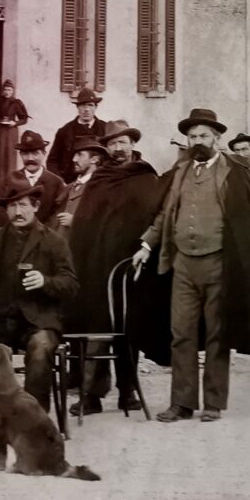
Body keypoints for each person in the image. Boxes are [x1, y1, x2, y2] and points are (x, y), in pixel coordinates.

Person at [132, 107, 250, 423]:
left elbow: (247, 222)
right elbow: (165, 214)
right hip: (183, 265)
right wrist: (147, 244)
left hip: (219, 263)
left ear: (217, 138)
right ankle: (181, 403)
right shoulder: (181, 172)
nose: (197, 140)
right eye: (192, 136)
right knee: (181, 333)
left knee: (218, 333)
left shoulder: (235, 173)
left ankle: (213, 403)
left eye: (203, 135)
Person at [0, 180, 77, 415]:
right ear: (5, 210)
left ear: (36, 206)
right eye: (12, 206)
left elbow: (71, 284)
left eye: (23, 205)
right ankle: (9, 408)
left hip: (38, 323)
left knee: (41, 347)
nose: (18, 212)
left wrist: (45, 282)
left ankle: (34, 419)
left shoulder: (53, 241)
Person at [65, 124, 167, 415]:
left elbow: (154, 218)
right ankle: (92, 396)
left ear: (132, 143)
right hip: (97, 267)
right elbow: (84, 222)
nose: (118, 149)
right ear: (106, 149)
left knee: (129, 329)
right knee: (96, 331)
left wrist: (143, 252)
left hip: (131, 268)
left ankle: (128, 392)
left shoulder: (147, 178)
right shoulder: (99, 179)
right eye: (112, 145)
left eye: (123, 143)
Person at [9, 130, 67, 225]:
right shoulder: (11, 179)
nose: (30, 158)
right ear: (20, 155)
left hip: (44, 236)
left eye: (35, 153)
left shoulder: (57, 183)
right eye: (25, 154)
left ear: (44, 154)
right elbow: (0, 210)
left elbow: (58, 214)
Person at [47, 86, 103, 182]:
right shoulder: (64, 131)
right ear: (77, 107)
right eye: (82, 105)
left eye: (90, 105)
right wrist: (61, 183)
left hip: (98, 183)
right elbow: (52, 161)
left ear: (96, 107)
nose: (86, 109)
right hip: (70, 183)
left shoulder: (105, 129)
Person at [56, 136, 108, 231]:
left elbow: (104, 225)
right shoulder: (68, 187)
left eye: (80, 155)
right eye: (74, 154)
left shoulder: (102, 188)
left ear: (94, 159)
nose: (74, 159)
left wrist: (75, 222)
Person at [0, 80, 31, 186]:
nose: (7, 92)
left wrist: (15, 123)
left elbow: (24, 119)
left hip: (11, 132)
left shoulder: (17, 103)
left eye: (9, 90)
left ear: (12, 91)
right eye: (5, 89)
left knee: (9, 157)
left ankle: (10, 183)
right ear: (2, 91)